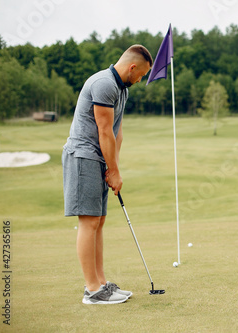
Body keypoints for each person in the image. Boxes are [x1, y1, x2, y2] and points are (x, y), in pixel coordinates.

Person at [62, 45, 153, 304]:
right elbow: (104, 131)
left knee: (99, 221)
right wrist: (112, 171)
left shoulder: (121, 89)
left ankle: (102, 283)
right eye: (141, 75)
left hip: (98, 159)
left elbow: (116, 133)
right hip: (83, 156)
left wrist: (114, 168)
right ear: (132, 67)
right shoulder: (104, 84)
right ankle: (92, 290)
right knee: (89, 221)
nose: (141, 80)